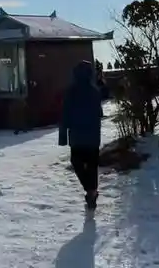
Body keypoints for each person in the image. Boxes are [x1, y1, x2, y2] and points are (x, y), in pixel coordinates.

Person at [59, 60, 104, 209]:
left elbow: (65, 114)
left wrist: (63, 137)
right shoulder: (94, 91)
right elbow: (99, 113)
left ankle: (90, 191)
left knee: (76, 162)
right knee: (92, 166)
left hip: (77, 136)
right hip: (92, 136)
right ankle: (92, 192)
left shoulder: (71, 91)